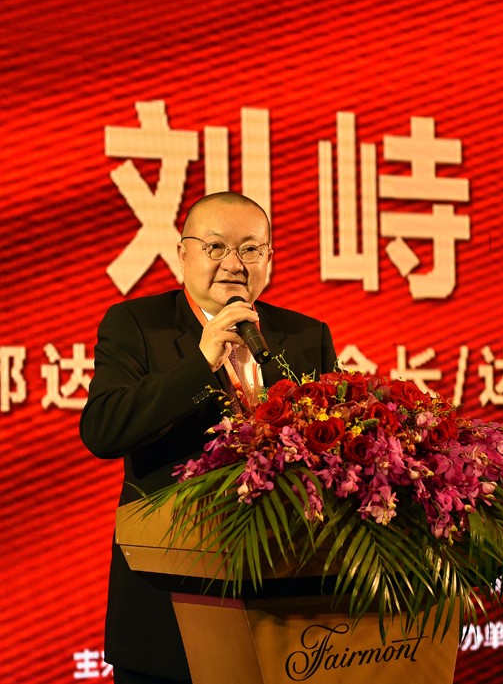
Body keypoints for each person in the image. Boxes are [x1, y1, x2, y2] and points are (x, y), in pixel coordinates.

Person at [79, 192, 338, 683]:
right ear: (183, 254)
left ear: (269, 258)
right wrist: (200, 362)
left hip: (287, 619)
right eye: (215, 247)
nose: (234, 264)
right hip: (169, 611)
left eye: (250, 249)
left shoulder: (307, 336)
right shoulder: (137, 325)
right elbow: (104, 429)